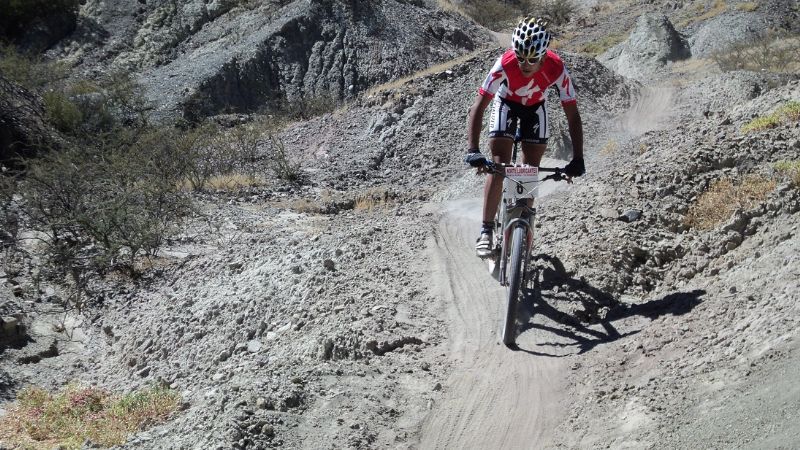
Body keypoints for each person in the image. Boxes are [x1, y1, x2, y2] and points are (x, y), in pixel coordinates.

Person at [464, 16, 585, 257]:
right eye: (521, 57)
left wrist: (578, 158)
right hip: (506, 103)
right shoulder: (505, 63)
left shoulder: (557, 68)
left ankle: (523, 226)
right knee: (499, 165)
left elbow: (572, 115)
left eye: (532, 59)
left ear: (544, 54)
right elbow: (479, 106)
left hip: (535, 109)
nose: (525, 64)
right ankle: (486, 230)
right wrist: (473, 149)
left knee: (530, 168)